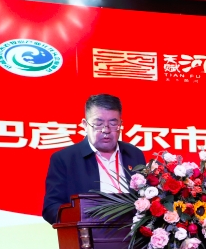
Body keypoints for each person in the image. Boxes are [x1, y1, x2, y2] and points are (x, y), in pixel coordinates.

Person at [42, 94, 146, 224]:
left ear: (120, 124)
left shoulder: (134, 154)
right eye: (98, 123)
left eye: (113, 123)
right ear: (85, 125)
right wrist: (82, 220)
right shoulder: (65, 159)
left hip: (132, 233)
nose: (106, 130)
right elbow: (51, 208)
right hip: (87, 233)